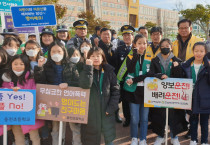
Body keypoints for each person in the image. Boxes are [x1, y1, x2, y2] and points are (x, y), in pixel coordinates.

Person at [149, 38, 187, 145]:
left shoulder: (178, 61)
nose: (165, 47)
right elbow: (151, 74)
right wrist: (159, 75)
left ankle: (174, 136)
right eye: (163, 45)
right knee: (159, 115)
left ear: (171, 47)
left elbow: (181, 78)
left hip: (172, 95)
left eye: (167, 45)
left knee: (174, 115)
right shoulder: (154, 60)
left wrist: (177, 68)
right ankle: (160, 136)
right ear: (160, 47)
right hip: (159, 94)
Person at [0, 54, 44, 145]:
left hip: (28, 115)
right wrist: (11, 92)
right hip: (14, 115)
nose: (18, 66)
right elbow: (3, 95)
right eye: (15, 64)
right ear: (11, 65)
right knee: (18, 136)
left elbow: (34, 93)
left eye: (21, 64)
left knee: (34, 137)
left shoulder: (31, 79)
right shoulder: (6, 79)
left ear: (26, 65)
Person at [81, 47, 120, 145]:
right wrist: (88, 68)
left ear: (103, 58)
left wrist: (111, 108)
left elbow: (115, 91)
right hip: (91, 111)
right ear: (88, 58)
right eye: (92, 56)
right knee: (91, 138)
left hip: (106, 110)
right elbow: (85, 85)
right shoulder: (84, 70)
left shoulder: (109, 71)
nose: (95, 58)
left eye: (98, 56)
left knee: (109, 137)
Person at [172, 19, 203, 139]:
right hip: (179, 78)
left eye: (186, 27)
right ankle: (181, 126)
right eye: (181, 28)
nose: (183, 30)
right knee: (180, 103)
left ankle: (192, 129)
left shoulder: (199, 41)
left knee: (192, 106)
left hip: (193, 78)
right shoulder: (174, 43)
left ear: (191, 28)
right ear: (178, 30)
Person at [174, 42, 210, 145]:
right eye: (196, 51)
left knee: (204, 121)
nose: (199, 53)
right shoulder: (186, 65)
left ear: (205, 52)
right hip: (191, 98)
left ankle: (204, 141)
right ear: (193, 52)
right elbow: (180, 79)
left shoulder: (207, 65)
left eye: (201, 51)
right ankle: (193, 140)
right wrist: (176, 67)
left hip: (205, 98)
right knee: (193, 121)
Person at [124, 34, 149, 145]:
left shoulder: (150, 57)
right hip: (133, 92)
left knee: (144, 118)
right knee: (135, 118)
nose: (142, 46)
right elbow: (130, 70)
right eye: (139, 43)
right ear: (135, 44)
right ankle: (134, 137)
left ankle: (143, 139)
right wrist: (135, 55)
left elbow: (150, 74)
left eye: (144, 43)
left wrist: (135, 79)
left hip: (146, 92)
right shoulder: (130, 56)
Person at [114, 25, 135, 126]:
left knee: (135, 101)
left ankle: (135, 119)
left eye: (129, 35)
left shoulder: (137, 48)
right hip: (122, 80)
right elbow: (116, 65)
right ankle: (128, 119)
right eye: (125, 35)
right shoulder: (119, 49)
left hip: (135, 80)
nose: (127, 37)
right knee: (125, 102)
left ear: (133, 36)